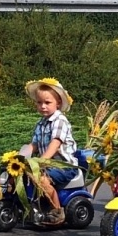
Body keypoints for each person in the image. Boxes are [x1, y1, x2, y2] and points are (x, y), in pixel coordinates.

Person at [24, 78, 78, 226]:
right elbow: (34, 145)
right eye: (39, 102)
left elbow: (55, 144)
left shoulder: (60, 121)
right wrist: (20, 156)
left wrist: (41, 161)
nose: (43, 106)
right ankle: (30, 207)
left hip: (64, 166)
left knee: (42, 179)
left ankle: (57, 212)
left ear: (58, 103)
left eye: (47, 103)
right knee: (24, 175)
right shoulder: (40, 123)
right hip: (47, 164)